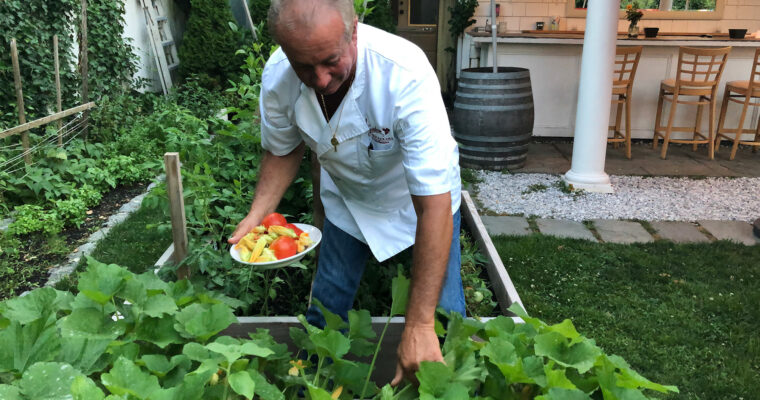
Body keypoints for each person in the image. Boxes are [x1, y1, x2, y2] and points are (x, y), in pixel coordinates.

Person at [227, 0, 463, 385]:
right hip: (347, 200)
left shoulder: (404, 72)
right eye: (304, 65)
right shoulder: (277, 76)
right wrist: (257, 214)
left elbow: (433, 201)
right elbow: (283, 149)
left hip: (419, 203)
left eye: (330, 60)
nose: (320, 79)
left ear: (354, 30)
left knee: (445, 320)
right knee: (326, 309)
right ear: (285, 51)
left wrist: (417, 324)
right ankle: (309, 389)